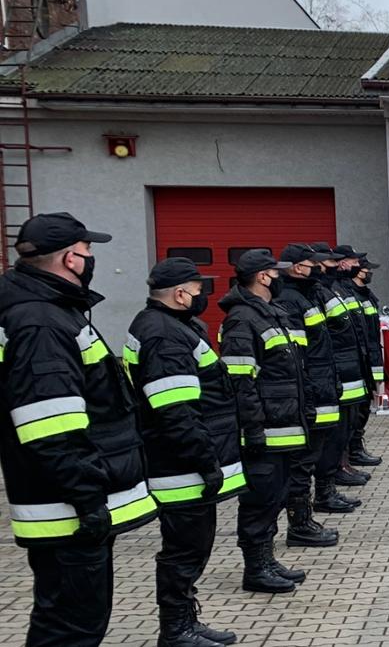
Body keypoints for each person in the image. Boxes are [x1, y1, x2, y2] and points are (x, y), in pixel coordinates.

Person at [0, 212, 157, 647]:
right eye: (88, 252)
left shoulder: (47, 312)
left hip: (65, 502)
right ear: (71, 259)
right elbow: (50, 426)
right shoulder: (42, 322)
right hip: (65, 510)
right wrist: (89, 499)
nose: (90, 259)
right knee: (70, 629)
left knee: (71, 622)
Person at [125, 258, 247, 647]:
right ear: (180, 294)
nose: (202, 297)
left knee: (190, 549)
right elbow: (176, 411)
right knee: (184, 551)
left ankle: (184, 622)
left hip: (182, 463)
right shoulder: (163, 335)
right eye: (197, 291)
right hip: (180, 469)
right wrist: (205, 462)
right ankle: (176, 630)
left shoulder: (166, 326)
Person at [220, 248, 309, 592]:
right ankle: (255, 568)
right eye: (275, 272)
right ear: (262, 276)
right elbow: (241, 381)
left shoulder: (269, 314)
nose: (279, 277)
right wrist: (253, 428)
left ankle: (268, 560)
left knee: (275, 496)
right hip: (265, 430)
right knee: (260, 499)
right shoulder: (242, 319)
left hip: (283, 425)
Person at [274, 243, 355, 549]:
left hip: (322, 385)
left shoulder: (309, 294)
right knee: (303, 461)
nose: (321, 267)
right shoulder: (291, 300)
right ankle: (300, 523)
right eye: (314, 263)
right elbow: (298, 356)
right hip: (311, 390)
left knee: (323, 448)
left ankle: (313, 507)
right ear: (297, 267)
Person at [312, 243, 371, 490]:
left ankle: (343, 465)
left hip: (349, 368)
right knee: (334, 431)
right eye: (332, 263)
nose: (339, 267)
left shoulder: (335, 290)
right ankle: (331, 479)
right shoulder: (318, 293)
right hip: (334, 372)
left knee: (348, 424)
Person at [340, 246, 385, 466]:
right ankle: (351, 452)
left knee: (364, 406)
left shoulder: (365, 294)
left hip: (369, 356)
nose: (367, 272)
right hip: (357, 358)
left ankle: (356, 449)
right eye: (365, 268)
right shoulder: (346, 293)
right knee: (354, 412)